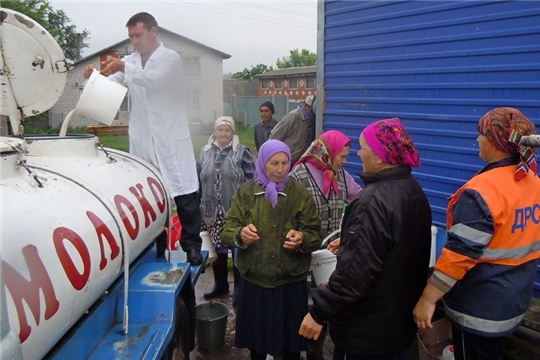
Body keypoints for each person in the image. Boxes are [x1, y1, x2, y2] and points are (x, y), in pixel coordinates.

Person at [299, 118, 432, 360]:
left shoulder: (372, 201)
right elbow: (393, 246)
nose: (359, 153)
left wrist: (319, 312)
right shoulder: (414, 190)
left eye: (363, 148)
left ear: (381, 157)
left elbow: (354, 276)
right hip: (398, 327)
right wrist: (353, 241)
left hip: (367, 334)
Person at [413, 107, 540, 360]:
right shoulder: (532, 181)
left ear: (496, 142)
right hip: (512, 301)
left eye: (481, 135)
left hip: (479, 309)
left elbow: (458, 256)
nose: (477, 140)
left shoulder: (482, 191)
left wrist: (427, 300)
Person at [82, 12, 202, 265]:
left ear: (153, 31)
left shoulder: (169, 59)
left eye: (138, 35)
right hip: (144, 140)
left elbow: (156, 82)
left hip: (171, 139)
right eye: (131, 37)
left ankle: (191, 246)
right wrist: (94, 77)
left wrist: (124, 67)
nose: (135, 41)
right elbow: (111, 82)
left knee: (186, 197)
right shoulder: (130, 61)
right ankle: (155, 247)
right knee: (151, 199)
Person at [221, 139, 322, 360]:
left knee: (291, 349)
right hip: (255, 282)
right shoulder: (246, 193)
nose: (280, 169)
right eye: (274, 163)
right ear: (263, 162)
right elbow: (227, 229)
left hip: (290, 284)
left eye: (285, 163)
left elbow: (315, 234)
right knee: (257, 347)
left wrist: (302, 237)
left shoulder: (299, 194)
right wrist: (240, 234)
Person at [290, 130, 362, 360]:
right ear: (328, 152)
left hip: (331, 254)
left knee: (327, 299)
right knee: (305, 303)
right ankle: (304, 347)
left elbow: (360, 199)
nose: (344, 161)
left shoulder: (339, 174)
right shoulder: (298, 175)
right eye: (342, 156)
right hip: (303, 251)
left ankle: (317, 349)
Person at [197, 116, 254, 302]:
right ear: (214, 132)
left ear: (233, 132)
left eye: (227, 130)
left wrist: (249, 207)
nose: (223, 133)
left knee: (238, 248)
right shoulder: (204, 152)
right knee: (218, 250)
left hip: (235, 211)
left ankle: (239, 288)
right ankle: (220, 285)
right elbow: (199, 179)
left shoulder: (242, 151)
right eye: (220, 130)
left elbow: (252, 181)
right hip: (211, 211)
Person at [270, 95, 314, 163]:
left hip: (299, 162)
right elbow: (275, 135)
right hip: (287, 161)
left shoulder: (310, 121)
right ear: (309, 107)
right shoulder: (293, 116)